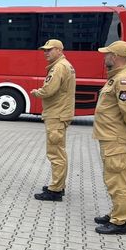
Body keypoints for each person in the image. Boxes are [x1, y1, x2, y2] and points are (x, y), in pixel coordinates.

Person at [92, 41, 126, 235]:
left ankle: (120, 222)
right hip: (110, 136)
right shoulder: (116, 78)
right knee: (112, 177)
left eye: (107, 54)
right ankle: (115, 213)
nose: (105, 57)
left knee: (117, 179)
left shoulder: (123, 80)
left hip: (116, 138)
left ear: (116, 56)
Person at [31, 39, 76, 202]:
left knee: (55, 153)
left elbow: (49, 89)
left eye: (49, 50)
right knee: (59, 151)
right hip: (60, 112)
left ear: (59, 50)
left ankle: (55, 190)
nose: (46, 53)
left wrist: (37, 92)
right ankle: (59, 185)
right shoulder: (65, 65)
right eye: (44, 50)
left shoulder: (59, 67)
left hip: (57, 114)